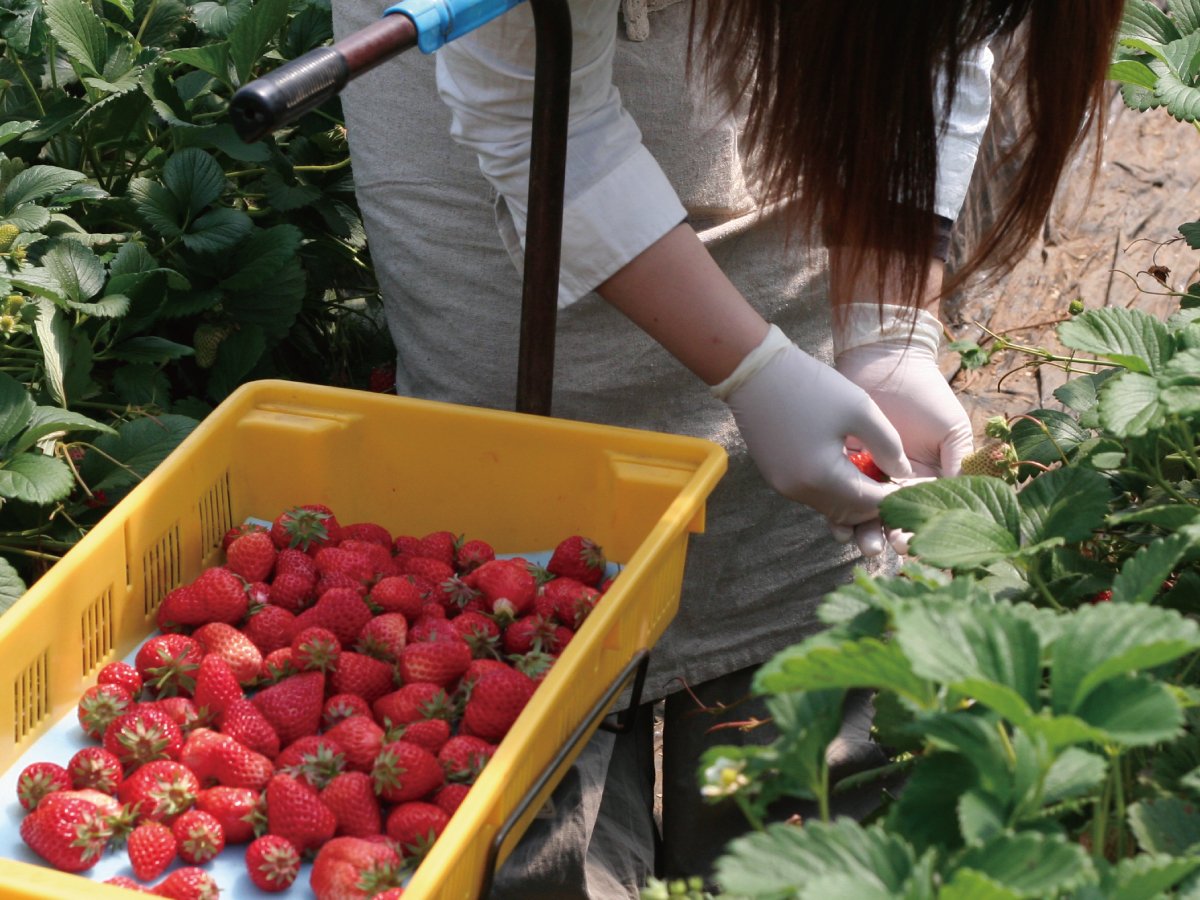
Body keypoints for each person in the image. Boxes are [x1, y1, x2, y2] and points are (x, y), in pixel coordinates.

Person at [330, 1, 1123, 895]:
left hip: (773, 58)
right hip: (493, 123)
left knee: (804, 665)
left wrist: (888, 324)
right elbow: (532, 118)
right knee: (539, 631)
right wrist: (755, 372)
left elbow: (919, 35)